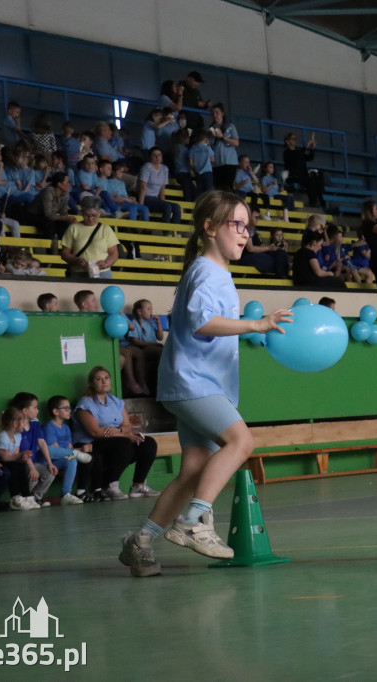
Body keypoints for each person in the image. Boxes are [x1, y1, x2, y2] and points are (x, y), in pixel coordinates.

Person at [119, 190, 292, 578]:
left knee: (194, 469)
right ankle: (195, 520)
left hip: (201, 384)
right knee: (242, 441)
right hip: (193, 383)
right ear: (209, 227)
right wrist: (256, 324)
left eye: (248, 226)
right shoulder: (205, 270)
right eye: (237, 224)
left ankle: (141, 542)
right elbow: (202, 323)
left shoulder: (217, 273)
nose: (245, 233)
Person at [72, 366, 158, 502]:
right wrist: (124, 434)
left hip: (115, 441)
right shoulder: (86, 403)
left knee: (147, 442)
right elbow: (95, 431)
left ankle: (138, 485)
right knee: (123, 443)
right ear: (92, 383)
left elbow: (128, 425)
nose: (103, 382)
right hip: (90, 443)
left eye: (106, 378)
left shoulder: (115, 401)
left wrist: (120, 432)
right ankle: (110, 486)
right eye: (99, 379)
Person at [0, 407, 41, 510]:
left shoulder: (18, 436)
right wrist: (21, 455)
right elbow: (4, 457)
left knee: (20, 466)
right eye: (23, 422)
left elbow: (15, 455)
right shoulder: (2, 437)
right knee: (13, 468)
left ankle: (27, 496)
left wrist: (23, 457)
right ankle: (16, 498)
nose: (25, 425)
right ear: (14, 423)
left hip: (7, 461)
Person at [60, 196, 120, 279]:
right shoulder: (73, 228)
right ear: (82, 213)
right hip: (79, 273)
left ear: (99, 213)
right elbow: (64, 253)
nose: (90, 219)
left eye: (94, 215)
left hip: (102, 273)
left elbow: (114, 253)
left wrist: (106, 263)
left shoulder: (106, 229)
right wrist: (76, 260)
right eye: (87, 215)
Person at [26, 171, 76, 248]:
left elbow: (63, 211)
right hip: (34, 215)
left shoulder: (65, 194)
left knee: (65, 224)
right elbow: (48, 214)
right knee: (49, 223)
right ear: (59, 184)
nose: (69, 184)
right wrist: (65, 218)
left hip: (47, 216)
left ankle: (63, 248)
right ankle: (47, 249)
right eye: (67, 182)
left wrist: (68, 219)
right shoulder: (48, 192)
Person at [236, 208, 288, 278]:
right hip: (247, 257)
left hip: (256, 255)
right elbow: (250, 248)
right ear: (248, 216)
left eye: (259, 217)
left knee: (280, 253)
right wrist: (269, 248)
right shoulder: (246, 228)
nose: (258, 219)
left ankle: (281, 277)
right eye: (256, 217)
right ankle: (281, 278)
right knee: (277, 262)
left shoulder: (253, 229)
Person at [138, 147, 182, 223]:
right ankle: (166, 232)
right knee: (167, 207)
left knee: (177, 207)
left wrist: (162, 202)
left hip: (155, 198)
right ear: (150, 157)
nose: (157, 157)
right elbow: (142, 187)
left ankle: (175, 231)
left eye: (159, 155)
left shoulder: (165, 169)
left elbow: (162, 188)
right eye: (154, 155)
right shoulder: (146, 167)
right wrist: (141, 205)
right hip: (146, 197)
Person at [282, 132, 321, 207]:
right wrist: (306, 146)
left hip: (302, 176)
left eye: (295, 139)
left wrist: (312, 148)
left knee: (316, 177)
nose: (295, 141)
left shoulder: (298, 151)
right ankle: (313, 202)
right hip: (293, 176)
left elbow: (309, 157)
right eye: (293, 139)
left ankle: (318, 201)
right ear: (287, 141)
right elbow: (296, 157)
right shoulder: (286, 153)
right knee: (309, 180)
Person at [209, 104, 239, 191]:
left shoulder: (230, 126)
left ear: (222, 113)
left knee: (228, 188)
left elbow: (236, 142)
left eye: (217, 113)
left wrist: (223, 137)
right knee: (218, 188)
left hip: (229, 162)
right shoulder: (210, 129)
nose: (215, 115)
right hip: (216, 163)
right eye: (213, 113)